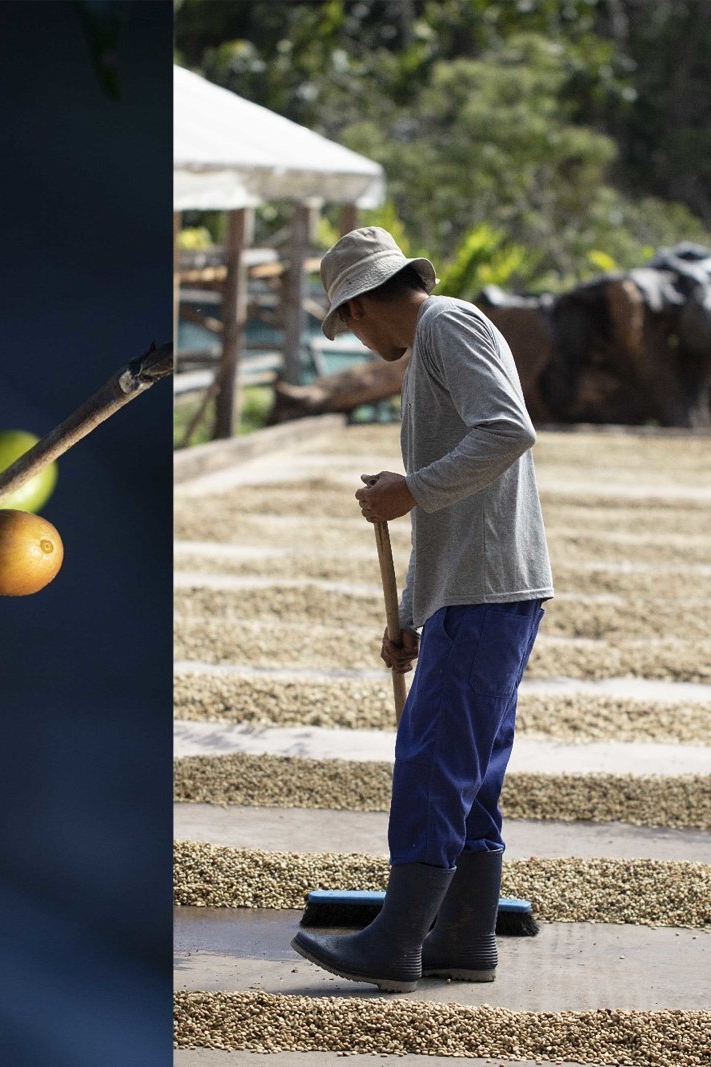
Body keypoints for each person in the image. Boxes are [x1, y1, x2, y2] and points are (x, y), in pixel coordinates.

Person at [290, 227, 554, 993]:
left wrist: (410, 488)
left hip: (486, 590)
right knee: (468, 770)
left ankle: (396, 941)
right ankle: (465, 939)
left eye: (348, 322)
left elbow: (509, 430)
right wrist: (411, 609)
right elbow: (455, 495)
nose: (353, 336)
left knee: (434, 764)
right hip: (473, 591)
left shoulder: (448, 324)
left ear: (365, 302)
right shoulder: (434, 348)